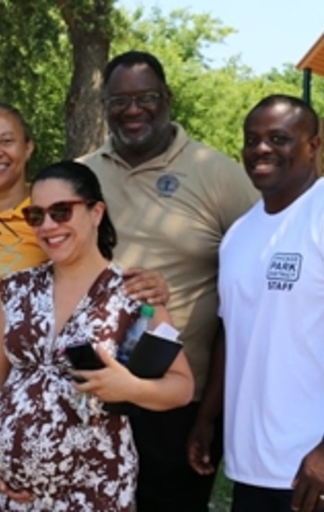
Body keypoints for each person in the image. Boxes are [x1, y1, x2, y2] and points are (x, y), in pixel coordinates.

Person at [0, 102, 170, 512]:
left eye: (61, 212)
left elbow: (181, 385)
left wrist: (133, 388)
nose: (48, 226)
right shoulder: (17, 288)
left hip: (93, 487)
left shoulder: (132, 294)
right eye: (37, 216)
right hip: (18, 494)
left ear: (96, 212)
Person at [79, 50, 258, 512]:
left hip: (180, 400)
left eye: (146, 97)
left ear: (168, 99)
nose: (133, 110)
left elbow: (262, 257)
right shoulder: (84, 175)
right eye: (119, 100)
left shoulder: (217, 174)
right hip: (93, 393)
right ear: (104, 106)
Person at [210, 95, 324, 512]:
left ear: (313, 144)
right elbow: (233, 332)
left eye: (279, 138)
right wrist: (207, 420)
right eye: (251, 139)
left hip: (311, 474)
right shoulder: (239, 234)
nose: (261, 149)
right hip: (250, 468)